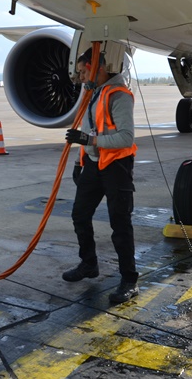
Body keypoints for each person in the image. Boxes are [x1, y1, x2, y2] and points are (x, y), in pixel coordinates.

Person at [63, 47, 139, 304]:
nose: (81, 77)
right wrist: (78, 161)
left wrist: (89, 140)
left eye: (84, 71)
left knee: (120, 224)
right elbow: (86, 129)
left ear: (98, 68)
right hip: (94, 165)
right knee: (79, 214)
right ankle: (89, 263)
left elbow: (126, 138)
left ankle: (129, 280)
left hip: (116, 166)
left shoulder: (119, 95)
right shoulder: (93, 94)